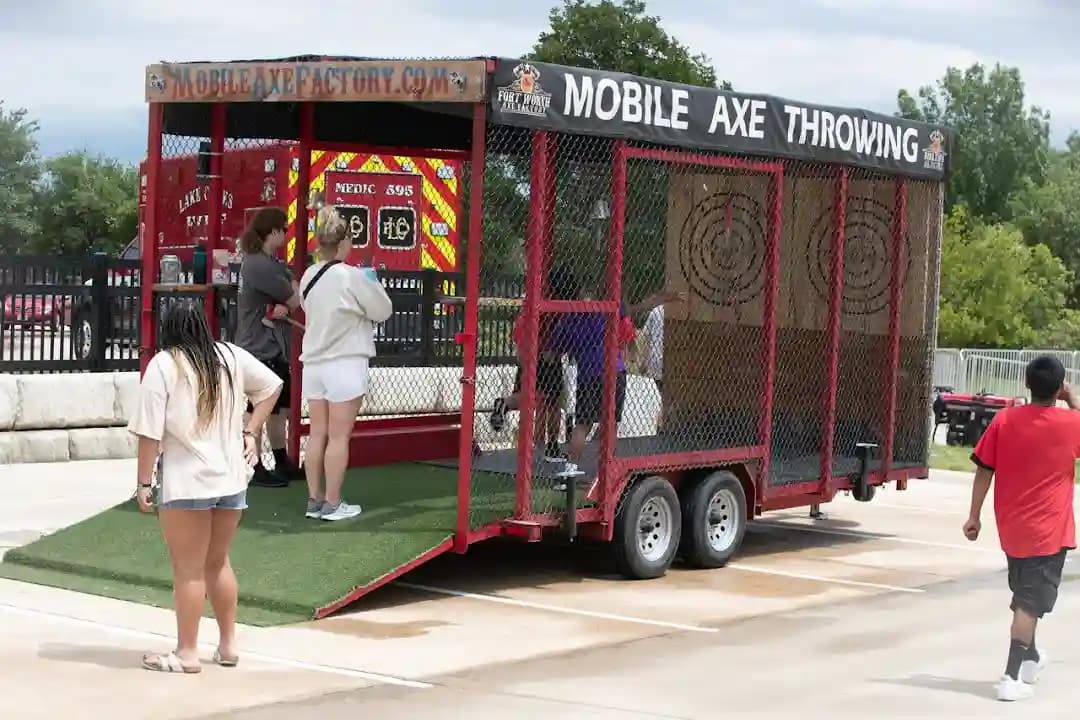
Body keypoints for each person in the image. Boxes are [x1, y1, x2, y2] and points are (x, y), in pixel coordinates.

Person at [128, 303, 283, 673]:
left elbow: (149, 433)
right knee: (218, 563)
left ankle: (187, 652)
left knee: (189, 570)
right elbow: (273, 386)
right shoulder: (229, 355)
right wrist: (251, 430)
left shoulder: (165, 365)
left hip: (186, 482)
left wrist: (143, 483)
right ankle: (228, 646)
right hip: (231, 478)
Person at [964, 355, 1077, 702]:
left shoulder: (1004, 420)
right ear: (1058, 389)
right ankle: (1011, 677)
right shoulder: (1071, 424)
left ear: (1026, 384)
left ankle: (1030, 658)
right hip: (1048, 532)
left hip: (1011, 529)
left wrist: (974, 516)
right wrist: (1072, 399)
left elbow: (984, 469)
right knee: (1029, 602)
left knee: (1025, 596)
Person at [299, 205, 393, 521]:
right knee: (339, 437)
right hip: (346, 363)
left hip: (313, 365)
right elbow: (382, 311)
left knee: (317, 434)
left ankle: (313, 500)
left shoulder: (308, 276)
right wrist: (374, 283)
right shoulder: (352, 276)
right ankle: (334, 503)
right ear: (342, 243)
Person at [549, 278, 681, 480]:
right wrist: (663, 298)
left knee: (583, 423)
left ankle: (570, 467)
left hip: (588, 374)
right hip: (613, 371)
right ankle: (607, 467)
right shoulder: (605, 310)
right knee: (610, 422)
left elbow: (555, 351)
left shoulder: (569, 317)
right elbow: (637, 308)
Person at [235, 206, 303, 488]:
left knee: (279, 408)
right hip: (258, 347)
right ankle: (254, 465)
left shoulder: (267, 261)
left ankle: (280, 459)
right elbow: (295, 298)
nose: (286, 234)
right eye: (283, 229)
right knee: (258, 409)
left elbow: (288, 293)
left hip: (272, 346)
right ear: (272, 231)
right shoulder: (259, 264)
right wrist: (290, 289)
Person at [489, 264, 579, 463]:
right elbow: (560, 334)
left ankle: (505, 403)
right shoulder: (558, 303)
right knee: (552, 402)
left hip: (527, 349)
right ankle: (552, 446)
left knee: (530, 396)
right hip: (546, 354)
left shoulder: (536, 299)